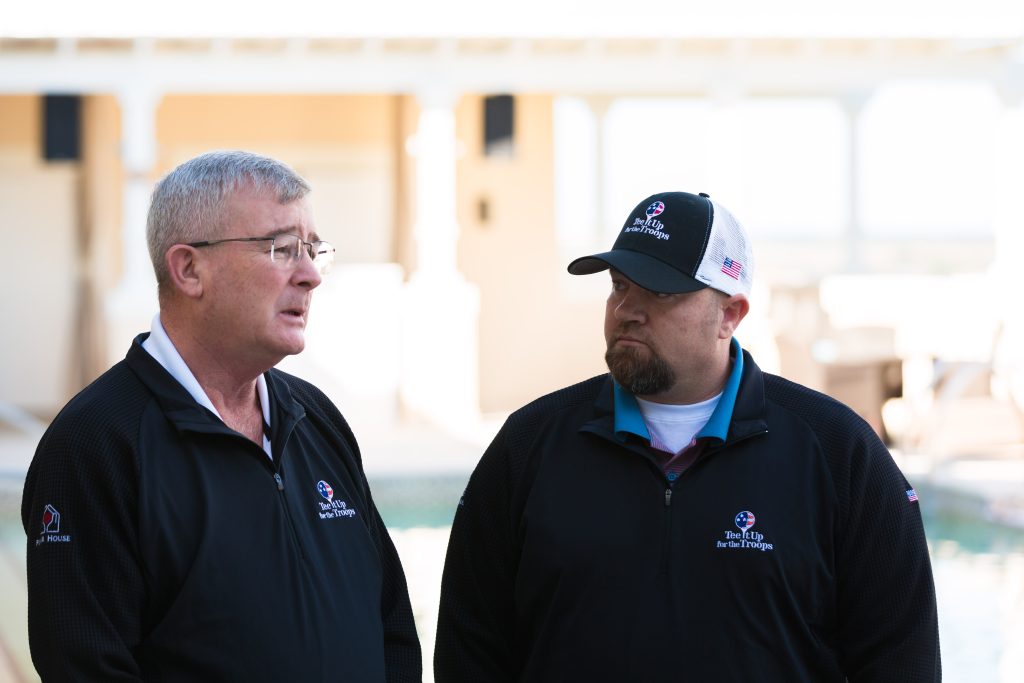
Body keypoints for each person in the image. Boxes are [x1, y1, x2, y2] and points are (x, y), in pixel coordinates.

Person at [434, 191, 940, 682]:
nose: (627, 309)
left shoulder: (839, 453)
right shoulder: (528, 446)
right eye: (619, 285)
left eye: (659, 291)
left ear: (730, 315)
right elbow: (469, 649)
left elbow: (901, 659)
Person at [22, 151, 421, 682]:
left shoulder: (314, 417)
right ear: (189, 269)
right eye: (280, 248)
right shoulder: (97, 442)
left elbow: (390, 619)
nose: (310, 276)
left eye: (313, 250)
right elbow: (87, 665)